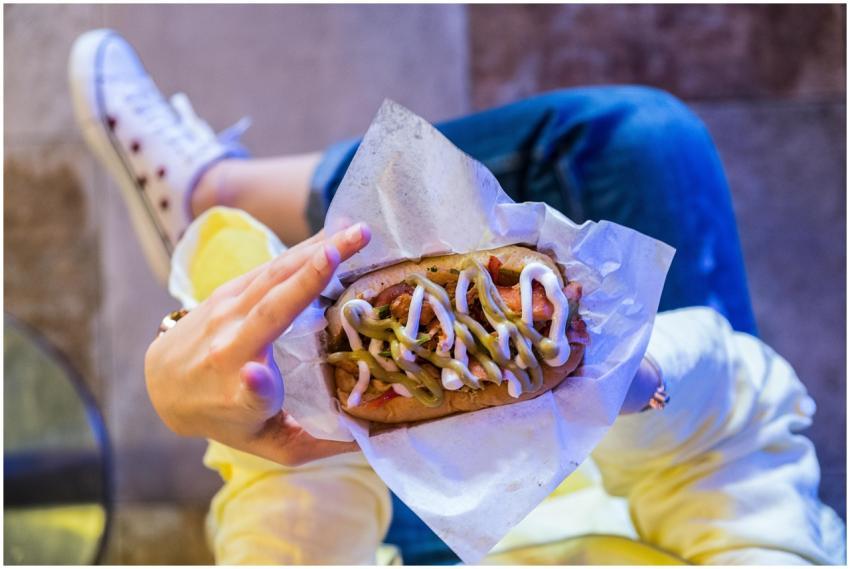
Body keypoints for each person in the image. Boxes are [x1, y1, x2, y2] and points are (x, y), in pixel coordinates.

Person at [69, 29, 844, 565]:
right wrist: (625, 386)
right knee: (642, 137)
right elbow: (745, 448)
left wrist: (262, 405)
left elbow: (294, 542)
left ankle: (207, 203)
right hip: (646, 472)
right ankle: (221, 186)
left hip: (416, 533)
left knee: (622, 145)